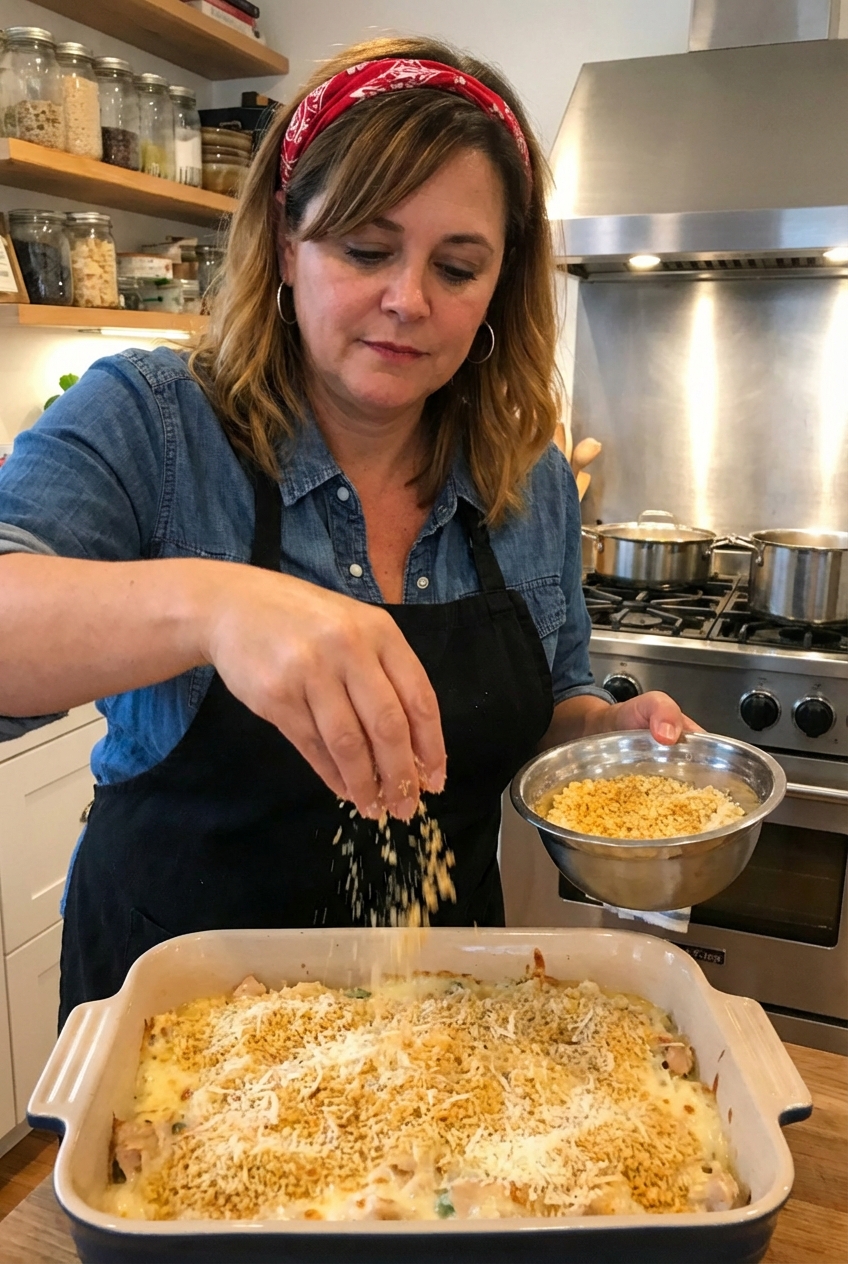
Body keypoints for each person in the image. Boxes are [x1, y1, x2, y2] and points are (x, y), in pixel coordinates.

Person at [0, 37, 696, 1025]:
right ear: (287, 242)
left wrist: (601, 735)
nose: (407, 300)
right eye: (366, 250)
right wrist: (215, 604)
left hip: (444, 1021)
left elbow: (551, 696)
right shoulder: (154, 421)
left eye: (456, 267)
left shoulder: (524, 475)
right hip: (182, 1029)